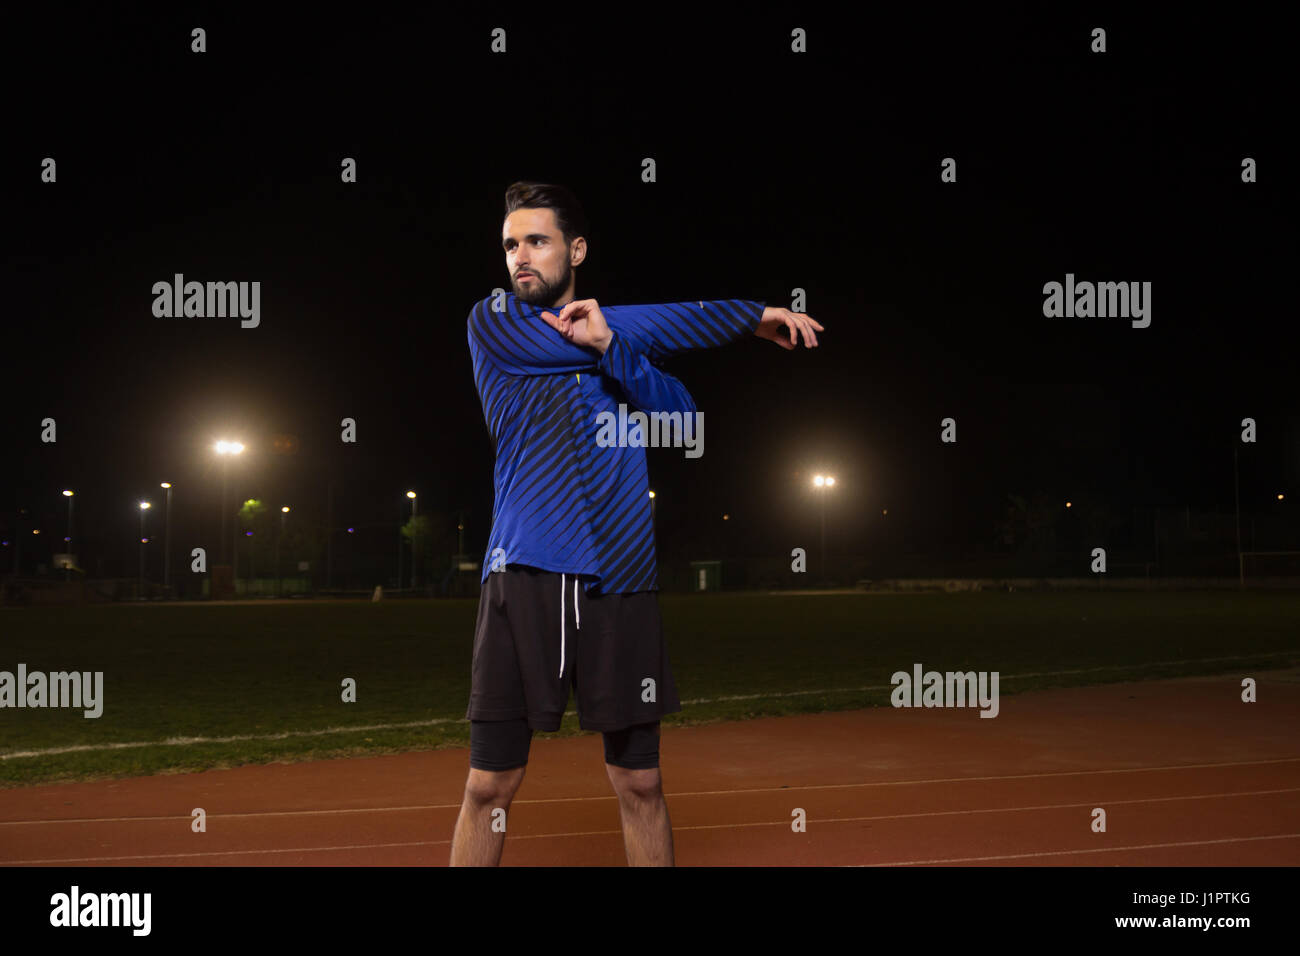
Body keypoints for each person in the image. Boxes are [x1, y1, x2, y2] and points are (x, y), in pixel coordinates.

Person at [449, 181, 823, 866]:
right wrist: (743, 317)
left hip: (620, 582)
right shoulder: (493, 323)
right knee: (488, 787)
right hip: (524, 575)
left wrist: (614, 347)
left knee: (642, 784)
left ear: (577, 249)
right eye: (510, 244)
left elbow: (683, 420)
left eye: (537, 240)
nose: (520, 257)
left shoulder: (613, 345)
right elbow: (644, 328)